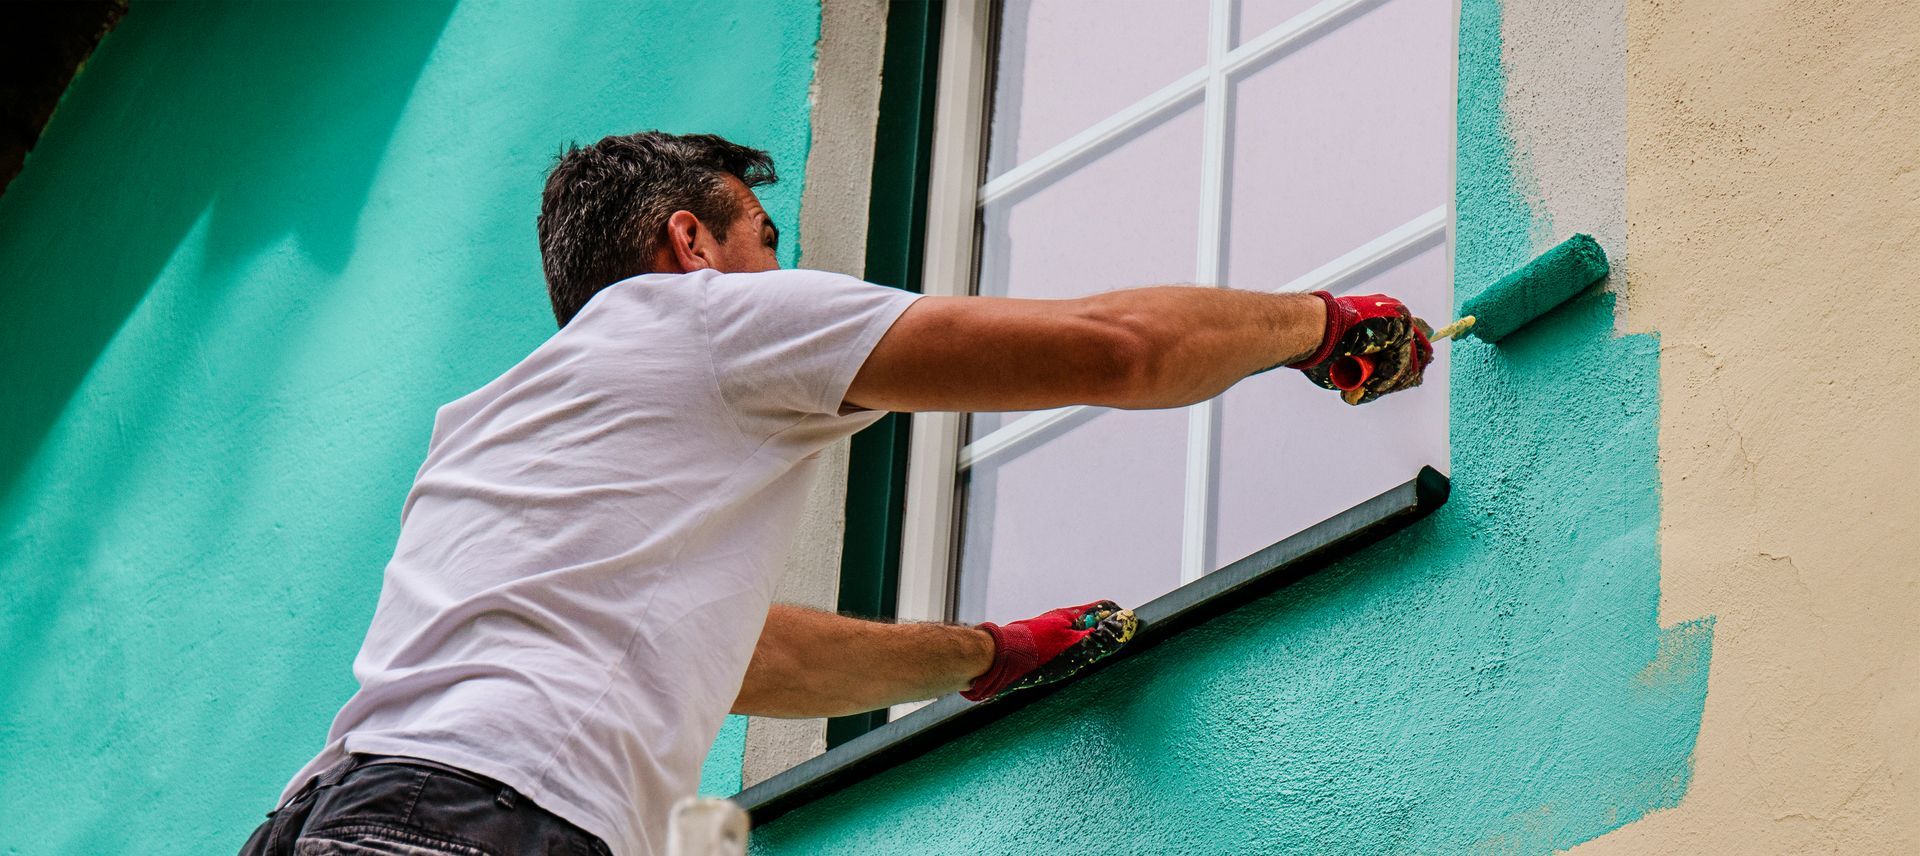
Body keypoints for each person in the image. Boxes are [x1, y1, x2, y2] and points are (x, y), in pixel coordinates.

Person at [241, 131, 1432, 856]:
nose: (785, 271)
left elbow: (744, 661)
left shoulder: (493, 425)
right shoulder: (706, 319)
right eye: (764, 237)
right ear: (690, 244)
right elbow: (1111, 347)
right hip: (476, 819)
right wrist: (1313, 325)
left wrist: (983, 653)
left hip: (341, 813)